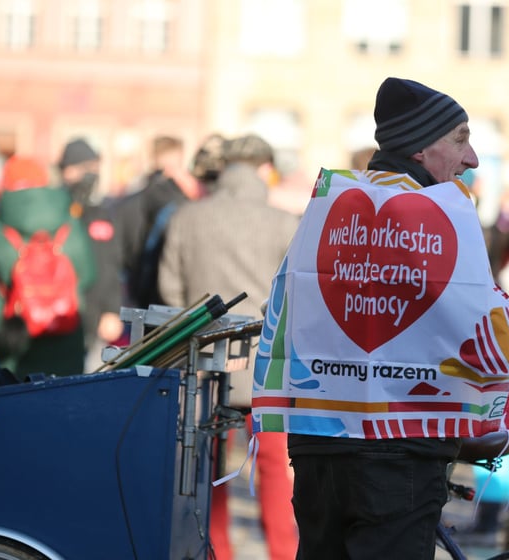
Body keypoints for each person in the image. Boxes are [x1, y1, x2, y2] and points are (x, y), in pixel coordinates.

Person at [250, 77, 509, 560]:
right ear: (421, 149)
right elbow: (495, 333)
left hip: (318, 449)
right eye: (460, 139)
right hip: (400, 457)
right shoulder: (445, 212)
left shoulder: (331, 204)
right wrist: (498, 412)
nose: (471, 158)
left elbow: (282, 308)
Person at [158, 134, 301, 560]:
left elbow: (170, 292)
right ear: (263, 169)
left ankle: (216, 551)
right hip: (267, 368)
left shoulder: (188, 217)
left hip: (205, 364)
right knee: (276, 468)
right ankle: (284, 552)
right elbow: (295, 298)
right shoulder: (284, 223)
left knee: (209, 467)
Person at [0, 156, 95, 379]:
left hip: (12, 339)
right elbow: (89, 275)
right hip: (66, 335)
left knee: (15, 405)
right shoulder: (70, 224)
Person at [58, 138, 124, 370]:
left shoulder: (102, 214)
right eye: (83, 168)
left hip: (95, 316)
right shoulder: (55, 210)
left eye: (93, 168)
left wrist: (111, 310)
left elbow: (111, 264)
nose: (90, 175)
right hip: (56, 316)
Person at [115, 135, 201, 309]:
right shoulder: (188, 206)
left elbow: (118, 257)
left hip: (135, 300)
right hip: (174, 305)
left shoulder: (127, 204)